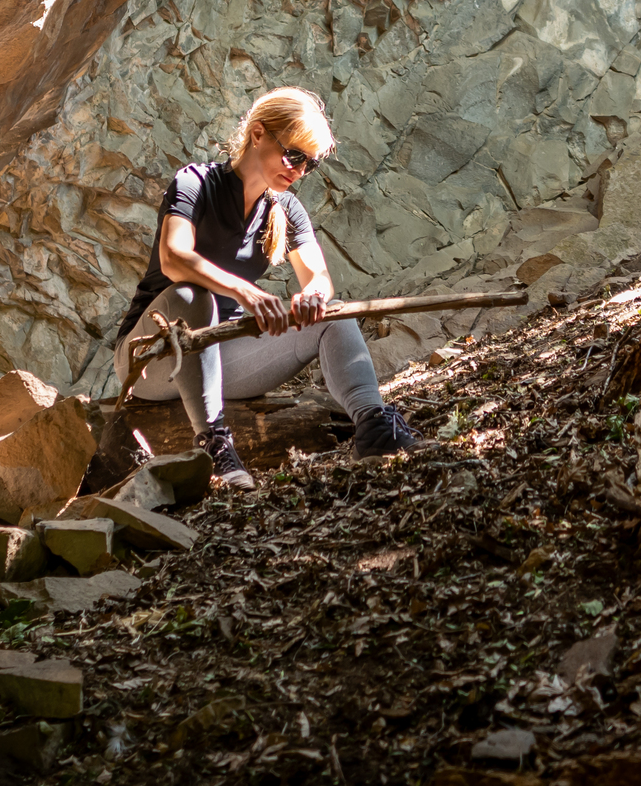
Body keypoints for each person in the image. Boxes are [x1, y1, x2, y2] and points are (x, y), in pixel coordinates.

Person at [111, 86, 421, 488]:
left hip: (225, 358)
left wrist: (313, 297)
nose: (298, 170)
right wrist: (246, 292)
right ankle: (215, 447)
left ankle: (375, 428)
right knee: (191, 296)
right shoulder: (195, 182)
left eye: (308, 163)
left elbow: (319, 278)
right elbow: (173, 257)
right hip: (151, 359)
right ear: (258, 134)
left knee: (337, 314)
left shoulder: (286, 208)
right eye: (293, 155)